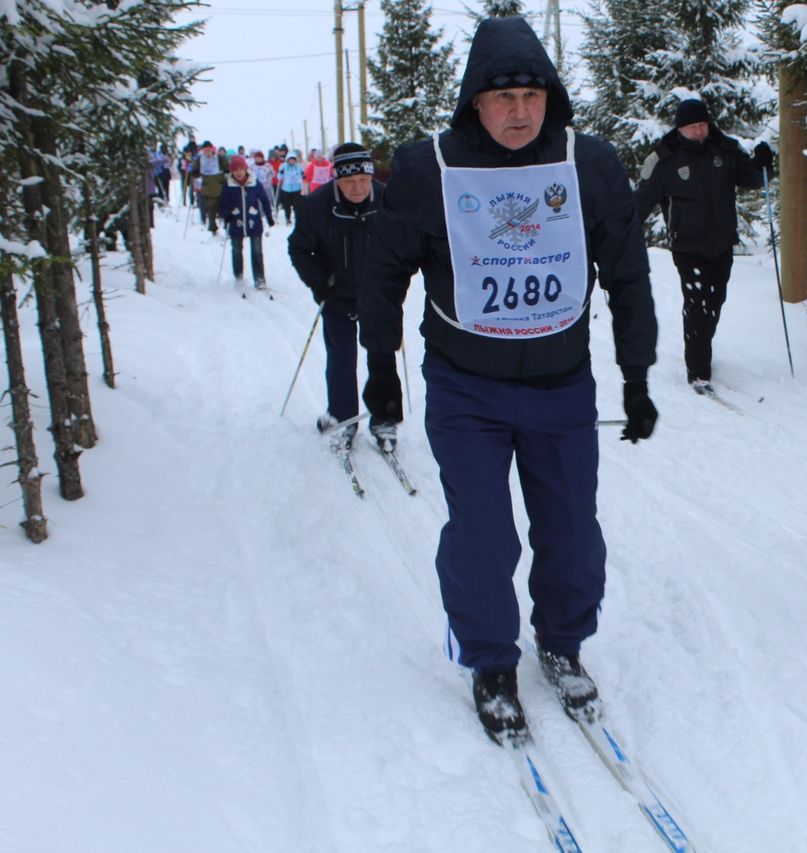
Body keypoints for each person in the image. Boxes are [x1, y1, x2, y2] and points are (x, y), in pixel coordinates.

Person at [359, 16, 659, 745]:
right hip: (467, 386)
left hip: (561, 384)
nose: (519, 111)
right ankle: (492, 661)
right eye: (502, 98)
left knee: (571, 531)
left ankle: (562, 639)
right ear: (473, 103)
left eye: (530, 94)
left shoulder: (585, 163)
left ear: (549, 96)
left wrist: (637, 374)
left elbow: (627, 272)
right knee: (483, 534)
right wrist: (381, 371)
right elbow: (382, 273)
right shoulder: (430, 167)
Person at [633, 98, 773, 391]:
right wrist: (624, 230)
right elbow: (640, 201)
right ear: (680, 128)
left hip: (721, 242)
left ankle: (701, 345)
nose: (699, 132)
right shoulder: (664, 159)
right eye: (692, 127)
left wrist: (764, 164)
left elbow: (751, 178)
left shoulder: (724, 150)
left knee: (715, 301)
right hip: (687, 245)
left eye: (702, 125)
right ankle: (698, 369)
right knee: (696, 304)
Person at [287, 142, 400, 451]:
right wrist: (318, 281)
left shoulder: (388, 199)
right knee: (341, 358)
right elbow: (299, 248)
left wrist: (397, 275)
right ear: (336, 179)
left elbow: (406, 240)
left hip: (379, 293)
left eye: (363, 180)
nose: (358, 188)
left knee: (382, 354)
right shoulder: (315, 206)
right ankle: (342, 417)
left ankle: (384, 418)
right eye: (349, 181)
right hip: (337, 293)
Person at [218, 153, 275, 289]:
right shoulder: (228, 185)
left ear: (246, 169)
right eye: (235, 170)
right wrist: (227, 216)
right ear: (232, 171)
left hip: (253, 222)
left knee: (256, 250)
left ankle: (259, 278)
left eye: (241, 169)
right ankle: (238, 275)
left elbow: (265, 201)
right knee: (237, 250)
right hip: (236, 222)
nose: (239, 173)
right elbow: (222, 205)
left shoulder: (255, 183)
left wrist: (269, 217)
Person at [194, 141, 227, 234]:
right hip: (207, 187)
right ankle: (213, 227)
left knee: (223, 207)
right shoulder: (200, 159)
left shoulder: (219, 158)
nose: (207, 151)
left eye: (209, 149)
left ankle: (226, 225)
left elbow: (227, 167)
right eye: (205, 149)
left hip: (219, 186)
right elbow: (194, 172)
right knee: (211, 209)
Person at [276, 151, 304, 225]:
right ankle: (287, 218)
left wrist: (302, 175)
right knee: (287, 205)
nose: (292, 161)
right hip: (286, 188)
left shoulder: (298, 167)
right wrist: (280, 173)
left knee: (296, 205)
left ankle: (297, 218)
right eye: (290, 160)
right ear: (287, 160)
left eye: (293, 160)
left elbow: (302, 175)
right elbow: (279, 177)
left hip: (296, 188)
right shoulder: (283, 166)